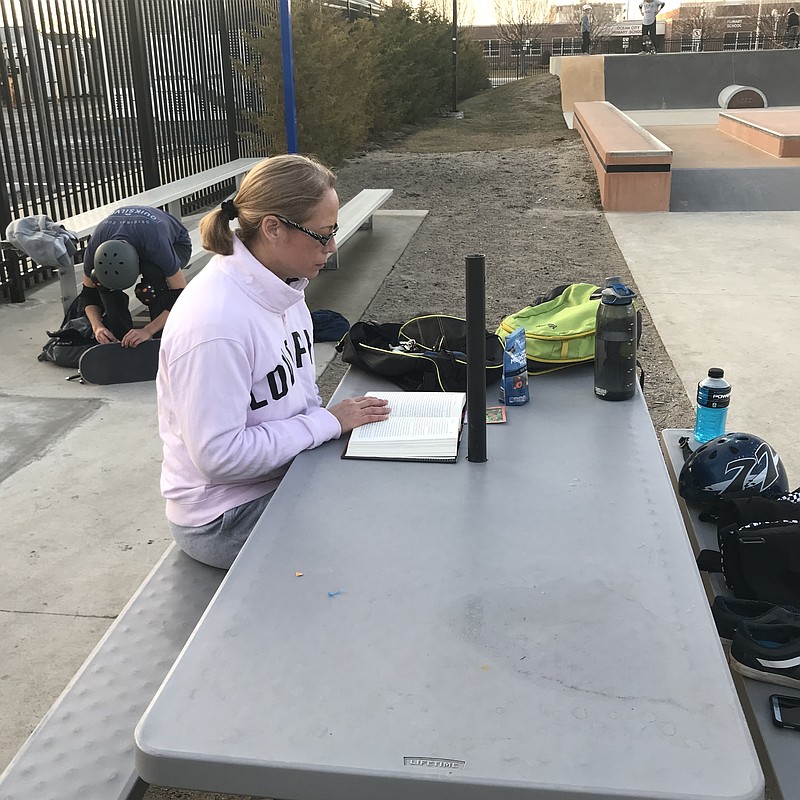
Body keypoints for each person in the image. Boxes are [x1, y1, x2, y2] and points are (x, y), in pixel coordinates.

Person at [156, 154, 391, 569]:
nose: (332, 247)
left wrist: (327, 426)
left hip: (281, 475)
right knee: (379, 546)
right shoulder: (215, 323)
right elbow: (220, 457)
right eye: (322, 235)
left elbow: (301, 395)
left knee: (398, 495)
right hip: (224, 515)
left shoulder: (285, 288)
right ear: (273, 228)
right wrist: (328, 423)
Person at [80, 206, 191, 348]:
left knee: (153, 276)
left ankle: (160, 336)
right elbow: (87, 294)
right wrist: (97, 327)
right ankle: (119, 337)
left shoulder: (156, 244)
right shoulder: (96, 246)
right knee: (98, 279)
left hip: (177, 243)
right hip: (137, 238)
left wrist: (147, 331)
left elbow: (181, 296)